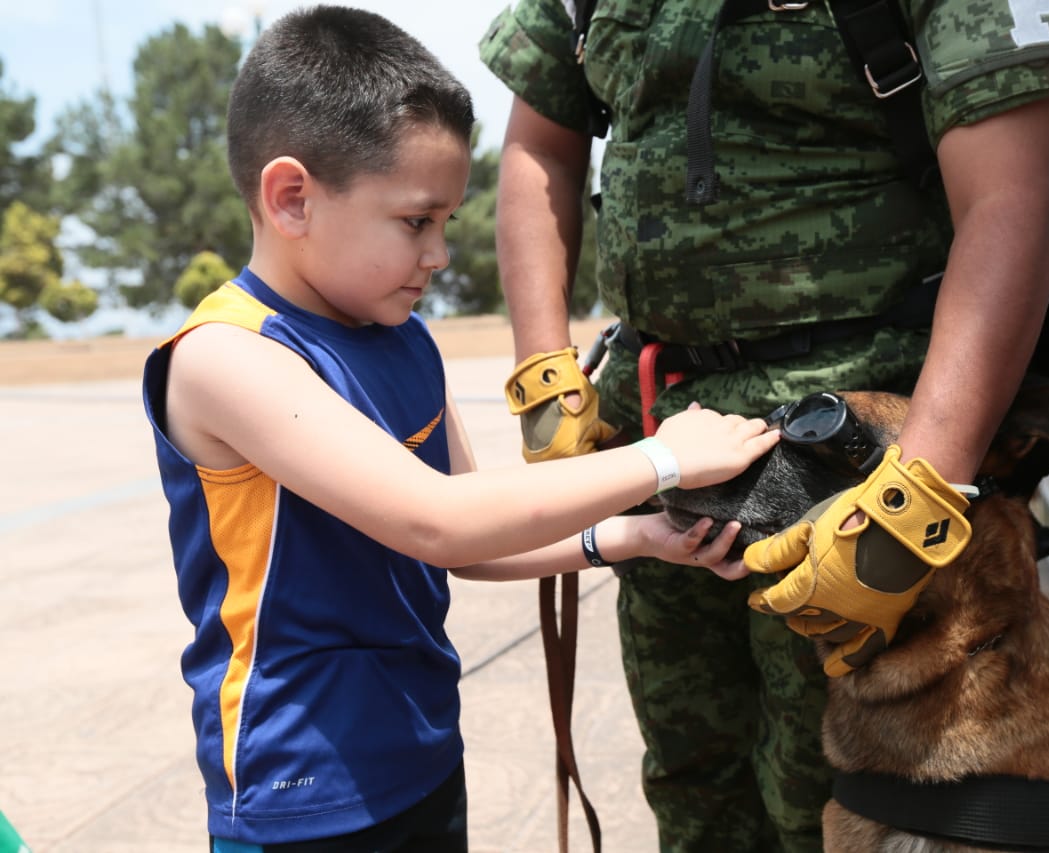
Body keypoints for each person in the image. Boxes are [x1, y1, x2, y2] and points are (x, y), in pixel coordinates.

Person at [140, 6, 779, 851]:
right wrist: (663, 457)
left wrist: (634, 536)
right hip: (303, 789)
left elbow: (472, 529)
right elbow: (434, 520)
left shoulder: (401, 338)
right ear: (291, 197)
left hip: (422, 751)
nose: (440, 254)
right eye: (416, 221)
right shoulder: (226, 358)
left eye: (446, 221)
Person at [480, 1, 1049, 849]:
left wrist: (914, 500)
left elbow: (1015, 201)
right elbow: (539, 142)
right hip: (659, 427)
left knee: (845, 799)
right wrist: (542, 368)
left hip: (860, 447)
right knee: (691, 773)